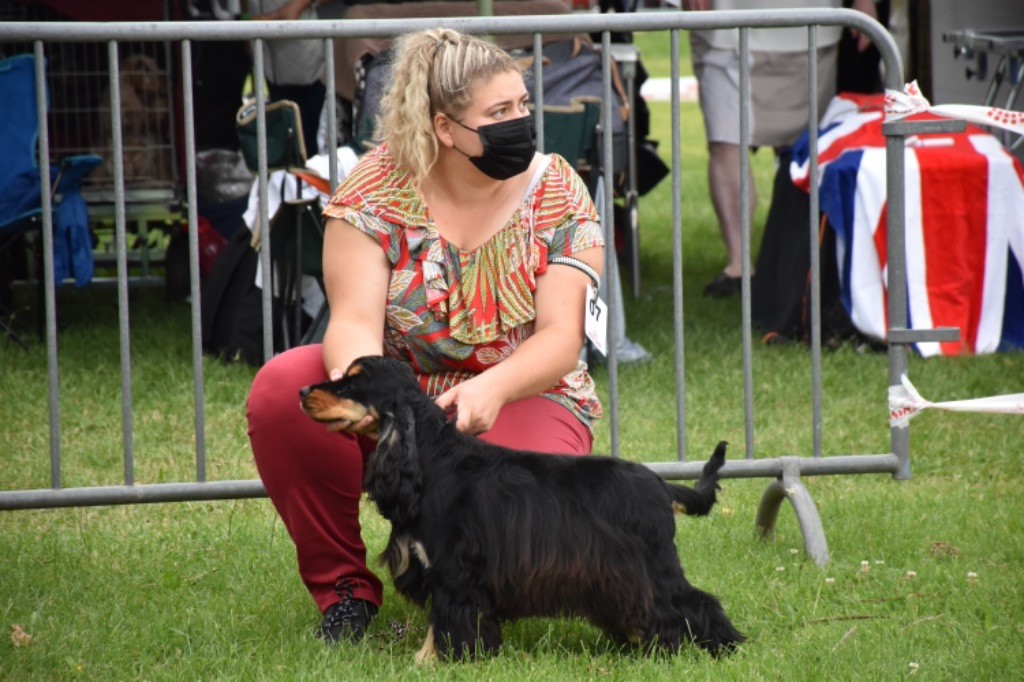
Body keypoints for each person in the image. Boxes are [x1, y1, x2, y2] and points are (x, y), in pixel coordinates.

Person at [245, 28, 605, 643]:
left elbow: (561, 337)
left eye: (522, 104)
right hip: (404, 392)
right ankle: (345, 591)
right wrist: (388, 406)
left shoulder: (556, 188)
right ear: (444, 128)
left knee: (511, 501)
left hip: (524, 391)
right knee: (282, 390)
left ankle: (469, 597)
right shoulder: (375, 187)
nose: (521, 122)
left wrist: (492, 389)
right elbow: (352, 321)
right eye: (499, 112)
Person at [681, 0, 877, 298]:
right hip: (724, 23)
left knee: (802, 150)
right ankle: (739, 266)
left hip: (811, 24)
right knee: (725, 140)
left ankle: (792, 264)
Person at [247, 0, 328, 156]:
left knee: (308, 139)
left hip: (304, 59)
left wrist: (297, 5)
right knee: (284, 138)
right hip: (269, 61)